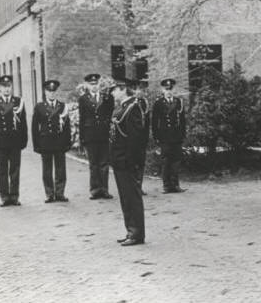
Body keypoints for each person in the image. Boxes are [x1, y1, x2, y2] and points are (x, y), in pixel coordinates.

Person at [109, 79, 146, 246]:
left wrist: (132, 162)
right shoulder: (122, 107)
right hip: (119, 161)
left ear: (123, 89)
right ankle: (130, 230)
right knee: (125, 198)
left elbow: (136, 139)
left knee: (132, 198)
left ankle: (137, 233)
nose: (112, 93)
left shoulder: (133, 108)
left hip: (127, 162)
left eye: (114, 90)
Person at [0, 75, 27, 207]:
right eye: (4, 87)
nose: (7, 89)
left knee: (15, 170)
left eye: (9, 86)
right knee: (2, 171)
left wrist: (24, 140)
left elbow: (23, 123)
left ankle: (14, 196)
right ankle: (4, 197)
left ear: (11, 87)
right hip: (0, 143)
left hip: (15, 142)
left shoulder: (18, 102)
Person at [32, 80, 72, 203]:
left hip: (59, 142)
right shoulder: (39, 107)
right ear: (45, 92)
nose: (52, 94)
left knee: (60, 169)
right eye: (49, 91)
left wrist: (67, 142)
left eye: (54, 91)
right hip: (45, 142)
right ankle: (49, 194)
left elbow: (67, 127)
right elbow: (35, 127)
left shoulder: (62, 106)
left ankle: (60, 193)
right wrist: (36, 144)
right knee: (47, 169)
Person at [79, 74, 114, 200]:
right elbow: (82, 119)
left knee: (104, 163)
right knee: (93, 164)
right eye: (91, 84)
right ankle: (94, 190)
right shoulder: (83, 99)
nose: (94, 86)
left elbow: (110, 115)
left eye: (96, 84)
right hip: (90, 135)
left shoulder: (107, 98)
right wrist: (82, 137)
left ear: (99, 84)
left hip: (103, 134)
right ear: (87, 85)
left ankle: (104, 189)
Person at [151, 78, 186, 194]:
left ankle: (175, 185)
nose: (169, 91)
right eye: (166, 89)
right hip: (164, 137)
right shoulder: (158, 103)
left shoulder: (178, 102)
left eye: (171, 89)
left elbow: (182, 120)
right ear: (163, 90)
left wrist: (182, 135)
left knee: (176, 161)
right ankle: (166, 186)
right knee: (166, 162)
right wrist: (156, 137)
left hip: (176, 136)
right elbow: (155, 122)